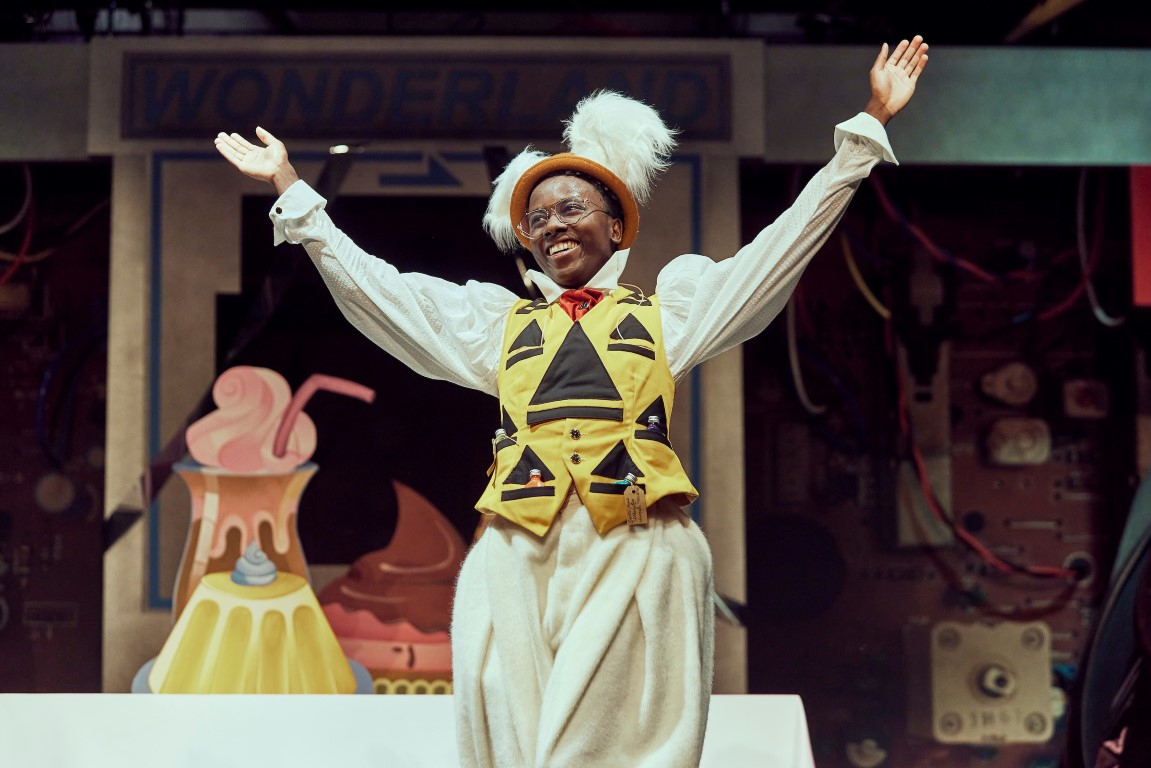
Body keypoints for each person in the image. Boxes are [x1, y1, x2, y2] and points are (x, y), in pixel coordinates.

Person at [214, 36, 928, 768]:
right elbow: (384, 293)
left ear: (615, 227)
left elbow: (776, 253)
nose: (552, 226)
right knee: (512, 730)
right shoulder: (498, 327)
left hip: (633, 539)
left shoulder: (668, 315)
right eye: (538, 219)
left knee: (614, 738)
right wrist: (293, 193)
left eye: (570, 209)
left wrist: (864, 130)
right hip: (520, 543)